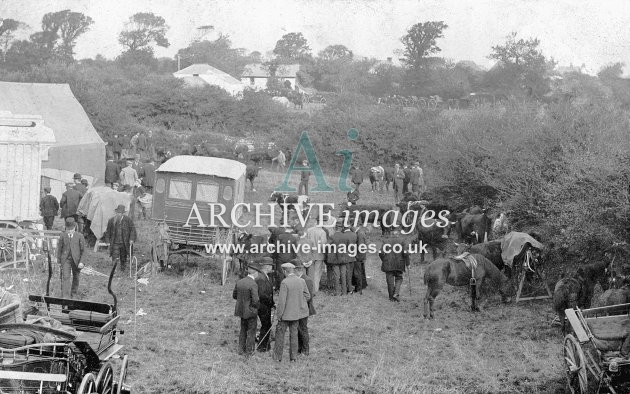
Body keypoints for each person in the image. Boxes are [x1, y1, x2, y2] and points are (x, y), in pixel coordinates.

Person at [273, 262, 311, 362]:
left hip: (285, 315)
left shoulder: (285, 282)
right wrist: (298, 303)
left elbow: (282, 302)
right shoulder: (302, 281)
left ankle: (277, 357)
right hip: (297, 315)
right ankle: (293, 358)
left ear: (285, 271)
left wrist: (279, 315)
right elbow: (308, 296)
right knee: (294, 335)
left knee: (280, 335)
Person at [233, 262, 260, 356]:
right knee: (251, 331)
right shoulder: (253, 284)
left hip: (241, 310)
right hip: (251, 311)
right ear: (255, 272)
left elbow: (234, 295)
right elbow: (256, 300)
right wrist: (254, 308)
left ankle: (240, 350)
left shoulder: (240, 282)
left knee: (243, 330)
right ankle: (249, 351)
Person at [56, 218, 85, 299]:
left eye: (71, 229)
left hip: (76, 261)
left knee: (76, 277)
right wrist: (58, 260)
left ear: (75, 227)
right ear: (66, 228)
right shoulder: (63, 235)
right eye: (68, 229)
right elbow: (59, 249)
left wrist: (81, 262)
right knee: (65, 277)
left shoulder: (80, 236)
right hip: (66, 260)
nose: (70, 231)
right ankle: (65, 297)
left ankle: (74, 295)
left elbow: (83, 251)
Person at [104, 204, 137, 273]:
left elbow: (133, 230)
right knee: (115, 257)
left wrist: (131, 239)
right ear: (116, 213)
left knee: (123, 257)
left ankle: (123, 270)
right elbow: (108, 232)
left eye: (120, 213)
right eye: (118, 213)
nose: (119, 214)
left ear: (123, 213)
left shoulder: (128, 220)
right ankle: (114, 270)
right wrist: (107, 241)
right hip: (115, 243)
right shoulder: (111, 220)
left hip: (124, 243)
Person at [379, 235, 411, 302]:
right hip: (399, 264)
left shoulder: (386, 241)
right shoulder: (403, 241)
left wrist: (384, 260)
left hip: (388, 263)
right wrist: (408, 264)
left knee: (389, 280)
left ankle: (391, 298)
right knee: (399, 278)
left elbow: (381, 253)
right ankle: (396, 293)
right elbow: (406, 253)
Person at [294, 260, 316, 356]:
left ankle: (305, 350)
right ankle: (300, 348)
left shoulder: (307, 280)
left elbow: (309, 297)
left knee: (302, 329)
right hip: (299, 308)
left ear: (297, 270)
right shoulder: (298, 279)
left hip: (304, 308)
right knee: (299, 329)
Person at [254, 257, 275, 352]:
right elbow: (262, 295)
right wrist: (270, 302)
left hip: (266, 305)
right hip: (263, 306)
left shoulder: (264, 276)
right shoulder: (261, 278)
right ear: (267, 266)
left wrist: (272, 303)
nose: (272, 268)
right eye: (271, 266)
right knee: (266, 325)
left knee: (267, 325)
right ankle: (262, 347)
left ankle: (265, 345)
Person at [330, 224, 358, 296]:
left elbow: (327, 247)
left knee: (336, 275)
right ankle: (344, 292)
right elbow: (349, 247)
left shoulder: (332, 236)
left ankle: (337, 292)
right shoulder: (345, 236)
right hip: (344, 258)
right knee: (343, 275)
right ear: (341, 228)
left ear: (335, 228)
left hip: (335, 258)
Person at [303, 221, 328, 294]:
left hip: (310, 254)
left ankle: (309, 288)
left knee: (310, 273)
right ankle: (315, 290)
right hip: (319, 254)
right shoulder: (322, 232)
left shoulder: (309, 230)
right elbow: (323, 245)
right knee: (317, 273)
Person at [353, 225, 368, 293]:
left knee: (357, 272)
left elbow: (361, 246)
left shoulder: (359, 234)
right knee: (361, 271)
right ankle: (363, 285)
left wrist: (356, 256)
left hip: (359, 256)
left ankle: (359, 289)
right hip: (361, 255)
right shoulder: (360, 232)